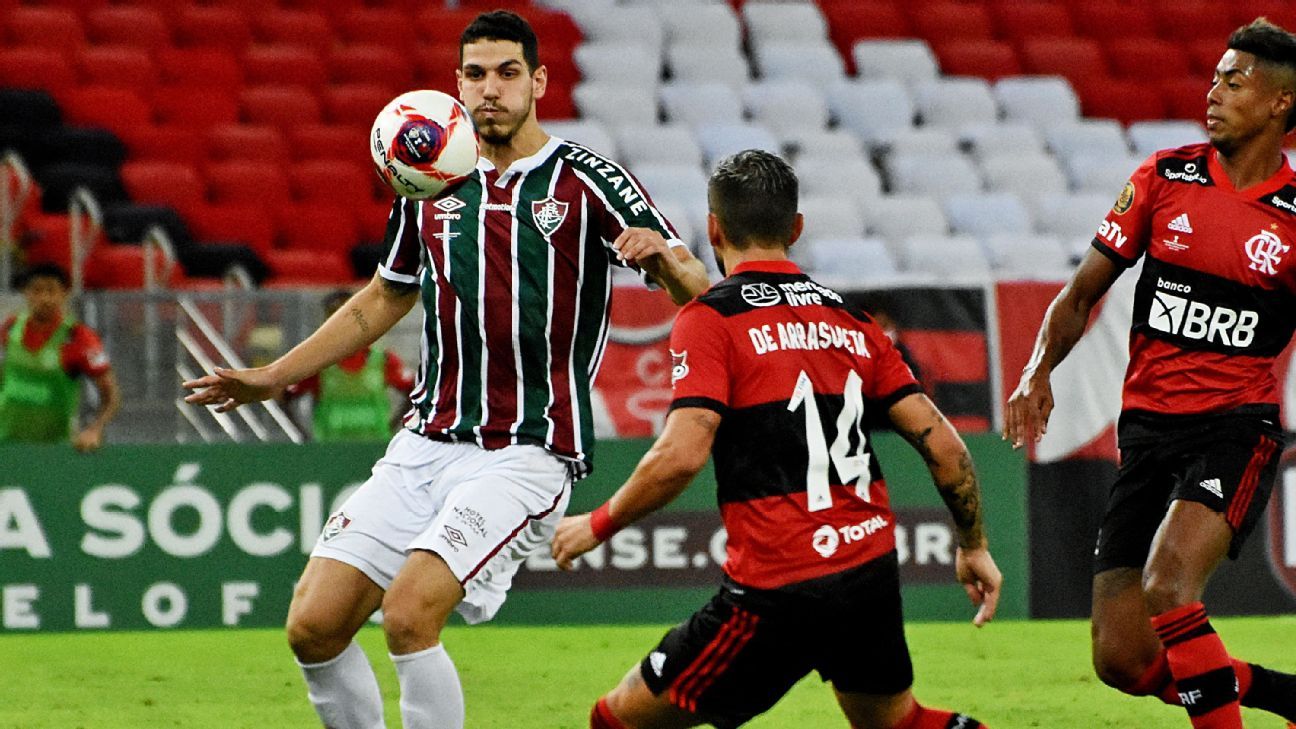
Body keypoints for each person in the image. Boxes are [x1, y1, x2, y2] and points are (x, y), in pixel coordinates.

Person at [184, 10, 709, 729]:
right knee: (313, 623)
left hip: (527, 448)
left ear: (538, 82)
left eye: (507, 73)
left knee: (408, 612)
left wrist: (667, 264)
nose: (489, 89)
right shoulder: (428, 177)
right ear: (455, 83)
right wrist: (274, 374)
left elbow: (699, 294)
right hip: (426, 441)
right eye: (474, 74)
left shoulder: (588, 180)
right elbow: (383, 297)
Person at [552, 150, 1001, 729]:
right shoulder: (852, 321)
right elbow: (947, 450)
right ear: (796, 229)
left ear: (714, 228)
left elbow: (681, 456)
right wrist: (973, 544)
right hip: (867, 566)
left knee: (616, 721)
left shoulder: (711, 320)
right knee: (897, 722)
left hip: (778, 587)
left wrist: (595, 525)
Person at [1005, 18, 1296, 729]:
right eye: (1214, 75)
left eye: (1236, 79)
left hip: (1235, 426)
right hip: (1147, 431)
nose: (1215, 89)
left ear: (1279, 103)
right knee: (1124, 660)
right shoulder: (1164, 178)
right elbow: (1080, 295)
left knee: (1169, 587)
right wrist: (1037, 370)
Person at [0, 263, 118, 451]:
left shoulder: (79, 337)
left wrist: (94, 430)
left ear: (64, 294)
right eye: (37, 290)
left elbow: (110, 395)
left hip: (53, 451)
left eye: (51, 290)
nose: (45, 298)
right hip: (5, 447)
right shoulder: (10, 328)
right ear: (26, 293)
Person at [283, 290, 414, 442]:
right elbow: (286, 396)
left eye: (349, 314)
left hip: (375, 451)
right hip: (332, 452)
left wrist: (393, 428)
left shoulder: (382, 359)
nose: (343, 322)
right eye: (336, 315)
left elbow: (412, 390)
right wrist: (304, 436)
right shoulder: (318, 363)